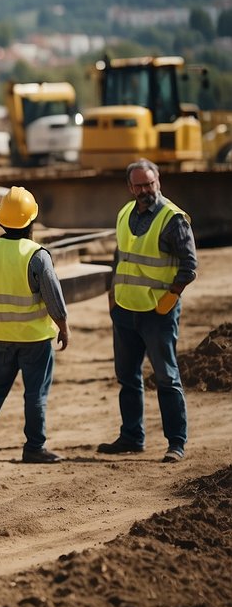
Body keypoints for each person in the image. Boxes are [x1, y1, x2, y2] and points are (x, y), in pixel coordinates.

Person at [97, 159, 197, 463]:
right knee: (127, 376)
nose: (144, 191)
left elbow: (189, 266)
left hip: (158, 313)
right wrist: (114, 298)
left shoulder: (173, 218)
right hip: (125, 311)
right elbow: (120, 259)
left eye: (149, 184)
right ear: (130, 187)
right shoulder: (124, 213)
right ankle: (132, 436)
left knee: (166, 378)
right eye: (138, 185)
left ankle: (176, 443)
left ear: (158, 181)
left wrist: (170, 298)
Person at [0, 186, 70, 464]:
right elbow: (52, 296)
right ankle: (35, 447)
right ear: (32, 220)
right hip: (33, 337)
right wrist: (63, 326)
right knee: (35, 393)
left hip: (0, 335)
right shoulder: (37, 255)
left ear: (0, 220)